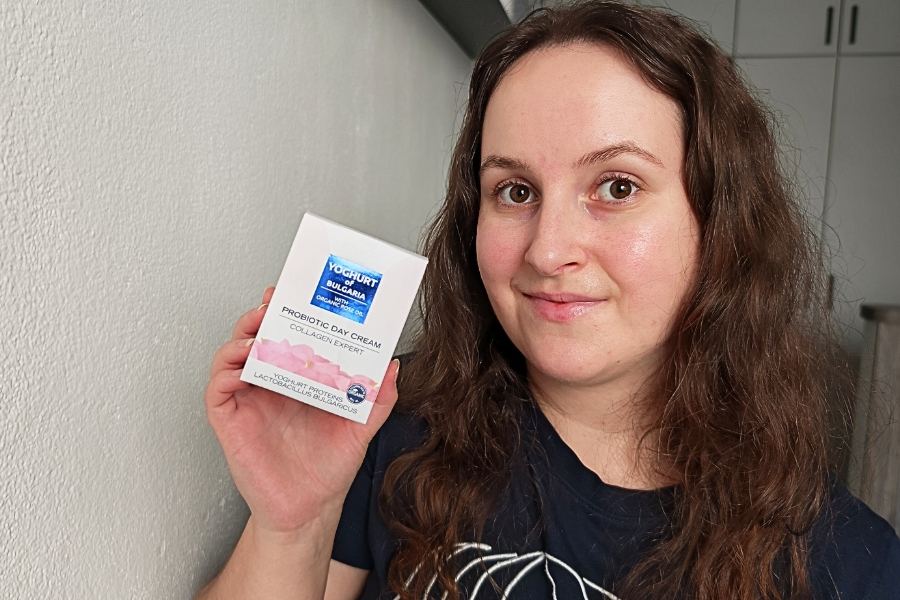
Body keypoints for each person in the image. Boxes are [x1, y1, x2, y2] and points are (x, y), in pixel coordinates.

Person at [197, 2, 900, 599]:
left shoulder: (849, 563)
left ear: (719, 223)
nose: (547, 249)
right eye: (516, 191)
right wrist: (292, 524)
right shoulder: (384, 424)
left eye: (617, 187)